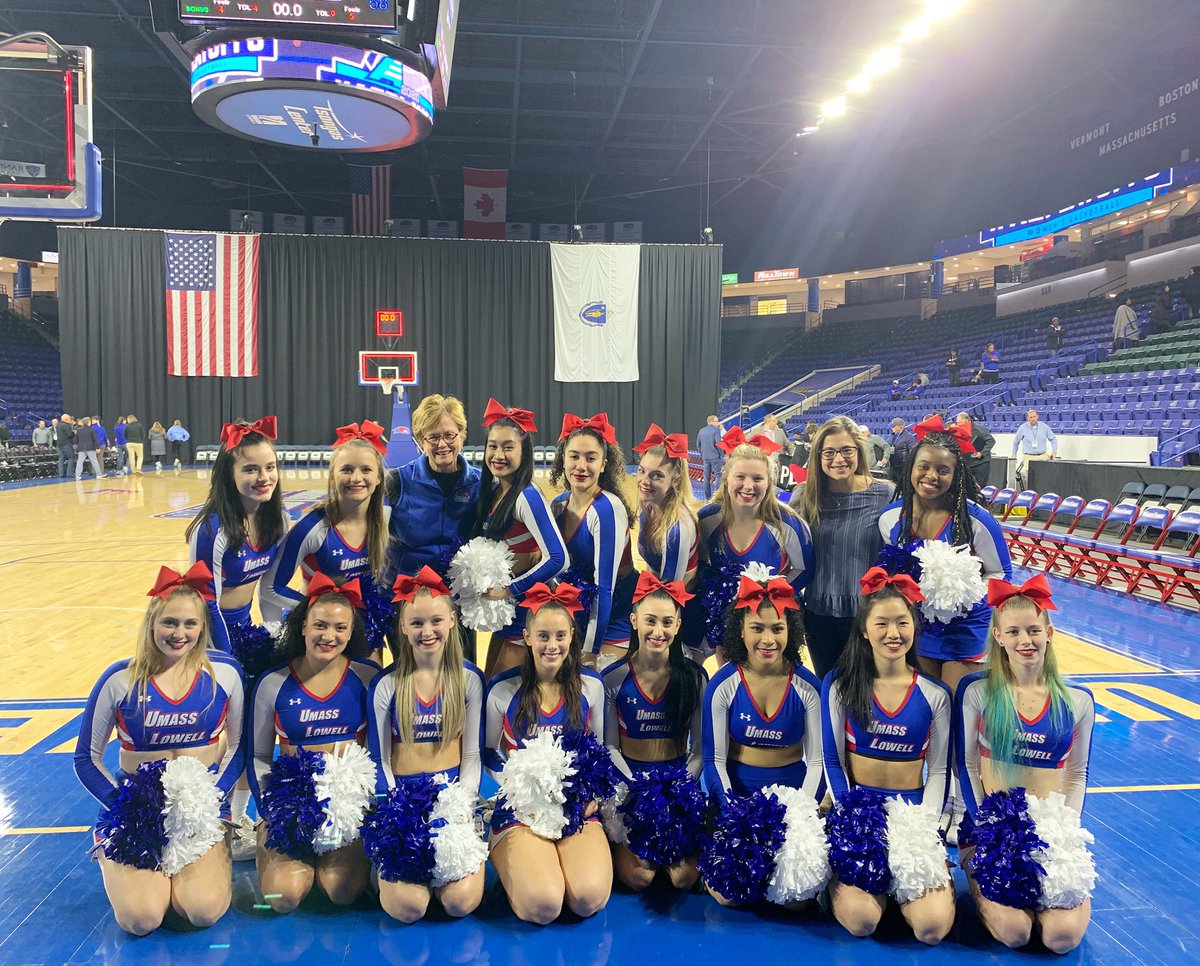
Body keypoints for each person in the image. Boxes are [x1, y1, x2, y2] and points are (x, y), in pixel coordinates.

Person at [73, 563, 244, 935]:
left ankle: (214, 852)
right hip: (137, 814)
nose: (179, 633)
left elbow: (239, 746)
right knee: (142, 919)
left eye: (190, 624)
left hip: (201, 813)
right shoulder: (119, 678)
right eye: (169, 623)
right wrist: (124, 805)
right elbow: (86, 758)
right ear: (151, 624)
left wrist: (211, 799)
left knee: (202, 911)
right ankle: (114, 855)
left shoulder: (226, 672)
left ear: (202, 627)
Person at [956, 576, 1096, 954]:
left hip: (1050, 829)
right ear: (998, 637)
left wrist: (1065, 831)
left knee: (1060, 938)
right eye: (1014, 632)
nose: (1025, 640)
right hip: (991, 829)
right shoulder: (977, 691)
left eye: (1034, 630)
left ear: (1049, 633)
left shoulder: (1078, 700)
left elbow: (1078, 774)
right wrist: (986, 825)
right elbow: (966, 765)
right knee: (1014, 931)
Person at [821, 569, 954, 944]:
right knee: (861, 921)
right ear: (864, 630)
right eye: (881, 623)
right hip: (859, 812)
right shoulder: (840, 685)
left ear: (914, 627)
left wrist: (925, 827)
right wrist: (851, 818)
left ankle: (901, 887)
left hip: (912, 814)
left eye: (902, 622)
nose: (893, 633)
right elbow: (833, 761)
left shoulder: (935, 694)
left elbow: (939, 771)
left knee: (931, 928)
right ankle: (849, 883)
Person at [247, 579, 380, 913]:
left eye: (340, 628)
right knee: (283, 897)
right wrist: (270, 810)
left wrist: (367, 804)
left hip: (347, 808)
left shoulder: (367, 677)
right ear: (303, 626)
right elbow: (258, 755)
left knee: (340, 890)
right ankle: (271, 848)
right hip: (291, 806)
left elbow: (380, 752)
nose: (328, 636)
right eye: (320, 625)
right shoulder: (272, 682)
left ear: (351, 632)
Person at [484, 584, 612, 924]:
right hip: (522, 807)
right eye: (542, 636)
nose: (551, 646)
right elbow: (488, 751)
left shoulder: (591, 686)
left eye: (560, 636)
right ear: (527, 637)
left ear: (571, 636)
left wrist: (593, 795)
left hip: (574, 806)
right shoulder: (502, 689)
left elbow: (600, 751)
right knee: (542, 905)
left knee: (587, 899)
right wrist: (519, 788)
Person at [366, 568, 486, 921]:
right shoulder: (385, 685)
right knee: (409, 908)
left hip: (452, 799)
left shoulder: (470, 679)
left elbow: (473, 755)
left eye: (436, 621)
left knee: (460, 903)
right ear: (403, 627)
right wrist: (394, 810)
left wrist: (461, 808)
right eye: (416, 623)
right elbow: (379, 760)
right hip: (402, 801)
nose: (427, 631)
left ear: (452, 621)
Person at [878, 418, 1011, 697]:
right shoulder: (890, 517)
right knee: (928, 705)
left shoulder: (975, 520)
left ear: (955, 475)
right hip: (917, 626)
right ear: (911, 467)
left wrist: (964, 597)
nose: (931, 476)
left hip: (966, 626)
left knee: (957, 704)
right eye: (924, 467)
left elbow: (1001, 573)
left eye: (943, 470)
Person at [603, 573, 707, 891]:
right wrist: (635, 789)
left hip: (678, 788)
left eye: (667, 622)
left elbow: (699, 749)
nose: (658, 632)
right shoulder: (613, 678)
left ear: (678, 625)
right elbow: (610, 748)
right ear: (634, 621)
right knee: (640, 878)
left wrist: (678, 790)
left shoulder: (694, 677)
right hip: (630, 789)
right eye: (650, 621)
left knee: (682, 879)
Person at [262, 421, 393, 664]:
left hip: (366, 624)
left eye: (366, 470)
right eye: (346, 469)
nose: (356, 478)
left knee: (370, 680)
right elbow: (270, 587)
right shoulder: (312, 528)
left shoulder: (385, 514)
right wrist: (316, 609)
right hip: (323, 631)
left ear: (378, 478)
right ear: (333, 475)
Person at [700, 574, 823, 815]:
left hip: (794, 803)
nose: (768, 640)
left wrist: (801, 815)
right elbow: (714, 761)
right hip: (736, 800)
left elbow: (818, 762)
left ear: (790, 631)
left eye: (777, 629)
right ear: (741, 630)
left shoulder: (809, 687)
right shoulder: (721, 686)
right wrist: (731, 811)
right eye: (757, 628)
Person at [691, 429, 813, 663]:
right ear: (725, 478)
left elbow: (805, 570)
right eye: (740, 477)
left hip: (772, 623)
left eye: (757, 479)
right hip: (727, 622)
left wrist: (767, 596)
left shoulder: (788, 523)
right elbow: (702, 566)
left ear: (769, 482)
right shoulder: (707, 519)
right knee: (732, 677)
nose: (748, 486)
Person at [473, 400, 567, 679]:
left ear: (524, 452)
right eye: (492, 446)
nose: (498, 455)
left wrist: (510, 589)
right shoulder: (494, 489)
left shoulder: (527, 496)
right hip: (508, 611)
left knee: (505, 690)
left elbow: (559, 558)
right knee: (491, 683)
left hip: (526, 606)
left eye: (508, 447)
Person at [793, 416, 891, 679]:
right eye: (829, 452)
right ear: (818, 456)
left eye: (847, 450)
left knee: (870, 691)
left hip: (870, 614)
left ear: (858, 451)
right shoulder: (805, 495)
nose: (839, 459)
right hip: (819, 615)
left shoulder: (885, 494)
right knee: (829, 690)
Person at [385, 394, 481, 660]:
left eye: (450, 435)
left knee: (461, 671)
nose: (442, 444)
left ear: (462, 435)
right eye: (433, 437)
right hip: (407, 598)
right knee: (409, 673)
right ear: (420, 440)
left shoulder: (480, 484)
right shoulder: (397, 481)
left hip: (457, 597)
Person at [550, 413, 638, 665]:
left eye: (591, 458)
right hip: (578, 613)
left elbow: (604, 589)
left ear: (603, 465)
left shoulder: (606, 509)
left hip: (615, 615)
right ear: (563, 459)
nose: (581, 466)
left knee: (594, 680)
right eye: (574, 456)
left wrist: (591, 649)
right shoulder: (558, 505)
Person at [633, 424, 699, 586]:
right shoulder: (648, 506)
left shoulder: (677, 530)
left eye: (656, 475)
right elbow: (652, 567)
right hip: (655, 590)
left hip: (676, 597)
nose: (644, 481)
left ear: (675, 479)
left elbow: (672, 592)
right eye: (642, 471)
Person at [1011, 409, 1058, 490]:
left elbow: (1053, 439)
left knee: (1044, 478)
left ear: (1037, 417)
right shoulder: (1023, 428)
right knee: (1031, 479)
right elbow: (1016, 442)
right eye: (1031, 417)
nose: (1033, 419)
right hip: (1029, 457)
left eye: (1034, 417)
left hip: (1042, 456)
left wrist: (1054, 451)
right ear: (1028, 418)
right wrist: (1014, 455)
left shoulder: (1044, 427)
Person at [957, 412, 995, 489]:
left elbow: (991, 440)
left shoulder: (979, 429)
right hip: (969, 463)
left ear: (966, 421)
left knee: (980, 486)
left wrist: (982, 452)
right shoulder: (960, 431)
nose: (957, 425)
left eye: (959, 423)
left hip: (981, 463)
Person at [696, 414, 723, 500]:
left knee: (706, 478)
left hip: (705, 458)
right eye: (717, 421)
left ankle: (707, 498)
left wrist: (702, 454)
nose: (718, 423)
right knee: (718, 475)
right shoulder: (716, 430)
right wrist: (721, 455)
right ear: (711, 421)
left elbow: (698, 445)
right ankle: (717, 497)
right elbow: (718, 444)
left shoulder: (701, 431)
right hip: (715, 457)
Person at [883, 417, 916, 485]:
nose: (891, 428)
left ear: (899, 427)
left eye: (893, 426)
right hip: (892, 464)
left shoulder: (909, 437)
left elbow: (912, 451)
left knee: (901, 484)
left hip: (902, 465)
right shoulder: (892, 435)